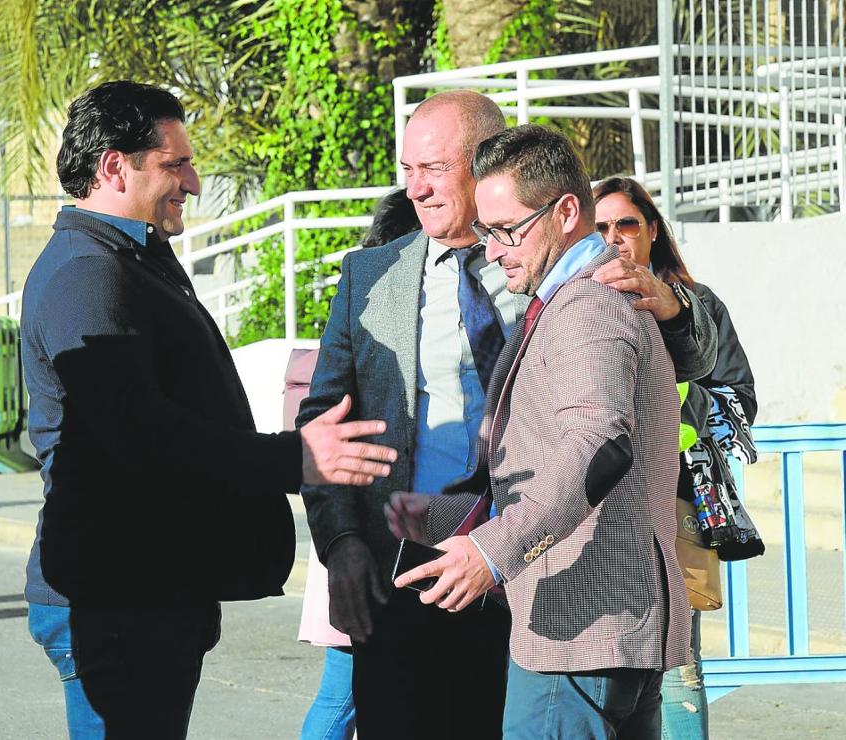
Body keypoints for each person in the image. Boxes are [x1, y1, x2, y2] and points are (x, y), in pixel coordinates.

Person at [297, 91, 717, 739]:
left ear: (485, 164)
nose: (415, 188)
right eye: (407, 170)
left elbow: (678, 369)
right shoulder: (370, 277)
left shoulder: (572, 273)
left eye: (434, 168)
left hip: (546, 576)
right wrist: (341, 542)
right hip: (414, 572)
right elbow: (326, 422)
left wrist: (674, 307)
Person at [19, 80, 398, 740]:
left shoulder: (126, 257)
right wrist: (297, 457)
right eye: (176, 165)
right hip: (118, 597)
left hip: (147, 593)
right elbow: (138, 436)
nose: (192, 184)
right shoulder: (89, 272)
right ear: (115, 166)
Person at [392, 124, 690, 738]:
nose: (493, 250)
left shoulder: (587, 303)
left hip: (579, 631)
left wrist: (493, 551)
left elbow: (599, 445)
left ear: (567, 212)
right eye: (486, 231)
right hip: (600, 631)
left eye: (507, 230)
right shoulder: (586, 292)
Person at [593, 176, 758, 740]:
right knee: (597, 660)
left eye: (627, 224)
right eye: (600, 227)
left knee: (676, 659)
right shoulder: (574, 301)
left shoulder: (696, 303)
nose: (614, 238)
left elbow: (738, 396)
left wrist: (680, 404)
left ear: (653, 231)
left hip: (677, 502)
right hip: (592, 509)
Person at [297, 188, 419, 740]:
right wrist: (343, 540)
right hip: (371, 558)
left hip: (473, 570)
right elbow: (323, 417)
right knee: (342, 693)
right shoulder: (363, 287)